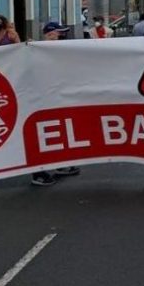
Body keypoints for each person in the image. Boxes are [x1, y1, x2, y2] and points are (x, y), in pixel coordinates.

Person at [32, 22, 81, 186]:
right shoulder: (37, 53)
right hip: (41, 103)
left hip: (55, 100)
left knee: (57, 134)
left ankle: (59, 165)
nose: (62, 37)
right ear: (50, 35)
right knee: (42, 136)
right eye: (59, 34)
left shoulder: (55, 53)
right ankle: (38, 172)